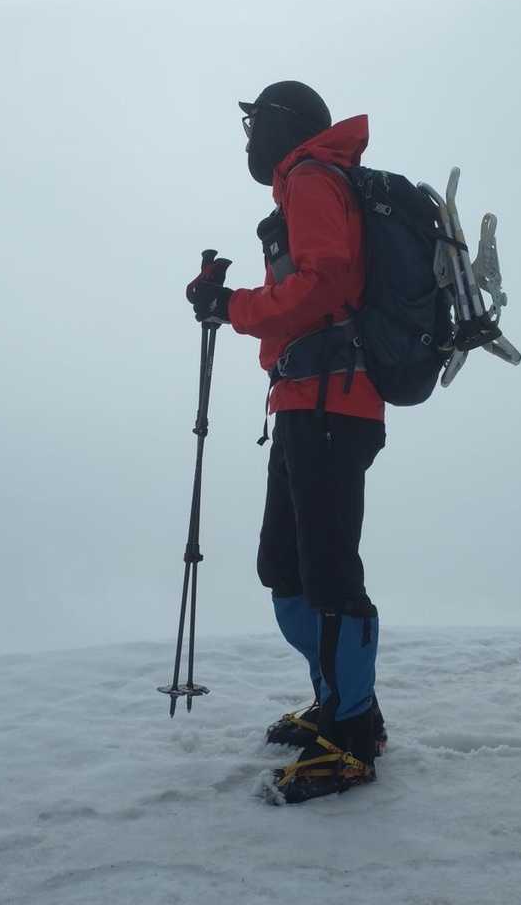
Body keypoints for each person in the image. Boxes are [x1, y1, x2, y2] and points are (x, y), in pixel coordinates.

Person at [184, 80, 387, 804]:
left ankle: (353, 734)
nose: (249, 140)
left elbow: (323, 283)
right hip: (310, 400)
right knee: (287, 568)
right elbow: (314, 291)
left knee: (327, 573)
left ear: (283, 125)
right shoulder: (310, 183)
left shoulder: (309, 177)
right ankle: (342, 703)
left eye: (255, 125)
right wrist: (228, 305)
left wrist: (233, 306)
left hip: (332, 400)